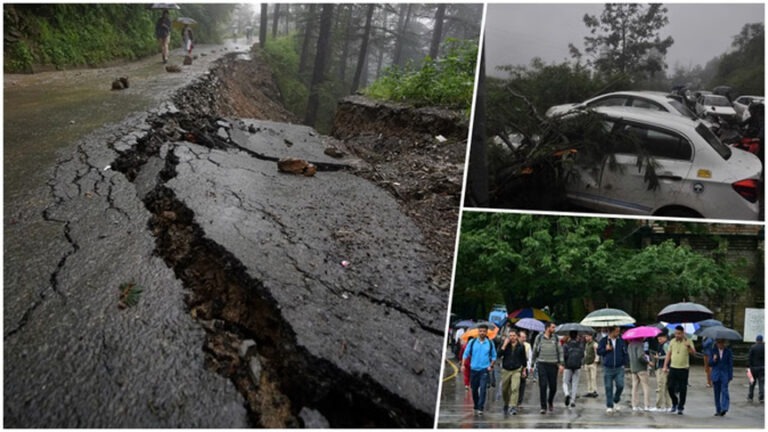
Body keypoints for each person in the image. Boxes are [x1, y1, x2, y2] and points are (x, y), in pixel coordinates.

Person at [461, 324, 497, 416]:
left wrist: (491, 366)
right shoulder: (472, 342)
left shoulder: (490, 343)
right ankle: (476, 404)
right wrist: (463, 365)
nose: (482, 333)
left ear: (486, 332)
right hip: (474, 369)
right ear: (478, 332)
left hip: (484, 370)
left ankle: (481, 407)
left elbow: (494, 356)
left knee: (483, 388)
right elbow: (465, 354)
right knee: (474, 389)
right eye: (480, 331)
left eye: (484, 331)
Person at [663, 325, 696, 415]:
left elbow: (694, 354)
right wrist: (665, 366)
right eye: (676, 333)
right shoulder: (672, 342)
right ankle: (674, 402)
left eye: (679, 334)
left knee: (682, 389)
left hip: (683, 368)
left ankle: (681, 406)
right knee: (670, 387)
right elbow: (669, 354)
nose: (677, 335)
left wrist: (689, 347)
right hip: (673, 367)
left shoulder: (688, 341)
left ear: (683, 333)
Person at [533, 321, 563, 414]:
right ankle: (543, 406)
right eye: (553, 327)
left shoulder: (556, 338)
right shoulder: (539, 338)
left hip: (553, 364)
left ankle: (550, 401)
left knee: (553, 387)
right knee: (543, 385)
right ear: (547, 328)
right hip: (542, 363)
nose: (554, 329)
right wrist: (532, 362)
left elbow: (560, 351)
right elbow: (535, 350)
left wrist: (561, 363)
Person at [597, 326, 628, 414]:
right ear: (611, 331)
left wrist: (625, 363)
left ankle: (616, 398)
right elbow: (599, 352)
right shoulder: (604, 341)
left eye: (619, 331)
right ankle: (609, 405)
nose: (618, 333)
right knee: (608, 387)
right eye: (616, 331)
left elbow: (625, 353)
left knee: (620, 385)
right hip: (608, 367)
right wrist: (606, 349)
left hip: (619, 367)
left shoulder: (621, 340)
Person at [499, 330, 527, 415]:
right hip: (506, 369)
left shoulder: (521, 346)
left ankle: (513, 406)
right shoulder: (505, 345)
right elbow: (499, 355)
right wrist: (504, 345)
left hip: (516, 369)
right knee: (504, 389)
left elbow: (524, 359)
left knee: (515, 388)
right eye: (510, 336)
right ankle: (506, 403)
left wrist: (524, 370)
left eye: (514, 335)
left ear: (517, 337)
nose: (512, 337)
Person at [710, 338, 734, 416]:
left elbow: (730, 364)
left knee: (725, 391)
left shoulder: (728, 351)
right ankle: (718, 409)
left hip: (724, 374)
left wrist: (730, 375)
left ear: (724, 343)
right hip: (716, 374)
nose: (720, 344)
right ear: (716, 343)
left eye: (721, 343)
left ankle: (724, 408)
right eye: (718, 343)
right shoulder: (713, 351)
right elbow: (710, 363)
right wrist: (714, 360)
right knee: (716, 393)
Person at [563, 331, 585, 408]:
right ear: (576, 336)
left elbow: (564, 355)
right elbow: (582, 355)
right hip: (577, 366)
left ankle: (566, 394)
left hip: (568, 366)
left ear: (569, 336)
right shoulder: (580, 345)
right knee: (575, 383)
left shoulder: (566, 345)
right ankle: (573, 400)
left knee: (565, 382)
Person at [628, 338, 651, 411]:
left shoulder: (630, 345)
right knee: (645, 386)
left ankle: (634, 405)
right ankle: (646, 405)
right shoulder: (640, 345)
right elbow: (640, 356)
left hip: (633, 368)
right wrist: (647, 361)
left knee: (634, 387)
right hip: (641, 368)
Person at [654, 332, 672, 412]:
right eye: (658, 339)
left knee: (660, 386)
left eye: (660, 338)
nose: (659, 340)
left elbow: (669, 355)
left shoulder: (666, 345)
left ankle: (658, 406)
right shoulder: (661, 345)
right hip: (662, 367)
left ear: (665, 337)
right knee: (666, 387)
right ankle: (668, 405)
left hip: (663, 368)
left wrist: (659, 357)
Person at [517, 330, 533, 411]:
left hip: (524, 367)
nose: (524, 339)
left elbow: (530, 357)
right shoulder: (514, 344)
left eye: (525, 337)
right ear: (518, 337)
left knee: (522, 386)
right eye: (522, 337)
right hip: (515, 367)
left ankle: (519, 402)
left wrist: (529, 367)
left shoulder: (528, 345)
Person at [748, 335, 764, 403]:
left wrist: (749, 367)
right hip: (762, 368)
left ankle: (750, 396)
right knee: (761, 383)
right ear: (762, 340)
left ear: (756, 340)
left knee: (752, 382)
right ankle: (761, 397)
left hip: (753, 368)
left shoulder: (752, 347)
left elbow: (749, 358)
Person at [582, 333, 599, 398]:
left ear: (591, 337)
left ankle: (594, 390)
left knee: (593, 378)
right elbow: (585, 353)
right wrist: (584, 362)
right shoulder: (586, 344)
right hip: (587, 362)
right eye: (585, 336)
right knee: (588, 378)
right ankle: (589, 391)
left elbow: (597, 352)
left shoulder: (594, 344)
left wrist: (596, 360)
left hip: (592, 363)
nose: (586, 338)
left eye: (587, 336)